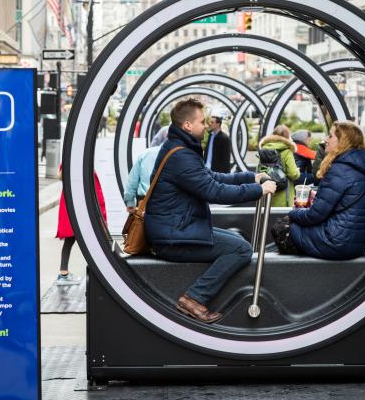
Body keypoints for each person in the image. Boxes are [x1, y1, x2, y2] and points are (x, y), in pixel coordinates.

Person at [145, 98, 276, 323]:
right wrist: (258, 190)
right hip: (172, 238)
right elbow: (213, 191)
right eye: (202, 121)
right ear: (187, 125)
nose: (206, 125)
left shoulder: (181, 149)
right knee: (240, 249)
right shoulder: (181, 156)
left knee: (236, 241)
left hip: (175, 229)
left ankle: (196, 296)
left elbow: (211, 177)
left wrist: (250, 177)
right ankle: (194, 298)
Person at [286, 121, 365, 260]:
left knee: (283, 227)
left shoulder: (339, 170)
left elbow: (315, 215)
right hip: (359, 244)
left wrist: (293, 213)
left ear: (342, 141)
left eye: (330, 136)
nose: (325, 140)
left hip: (335, 242)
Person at [55, 165, 107, 285]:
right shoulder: (85, 170)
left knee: (70, 241)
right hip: (82, 212)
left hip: (72, 210)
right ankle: (100, 272)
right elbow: (96, 194)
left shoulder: (71, 170)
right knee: (91, 242)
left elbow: (60, 176)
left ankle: (63, 273)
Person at [258, 125, 300, 207]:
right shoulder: (286, 151)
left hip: (267, 194)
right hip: (284, 196)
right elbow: (293, 174)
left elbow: (259, 170)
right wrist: (297, 171)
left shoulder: (264, 150)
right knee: (282, 219)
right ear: (288, 137)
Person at [124, 135, 167, 211]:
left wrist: (130, 202)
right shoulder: (179, 156)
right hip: (168, 204)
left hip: (144, 204)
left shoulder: (146, 153)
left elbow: (132, 181)